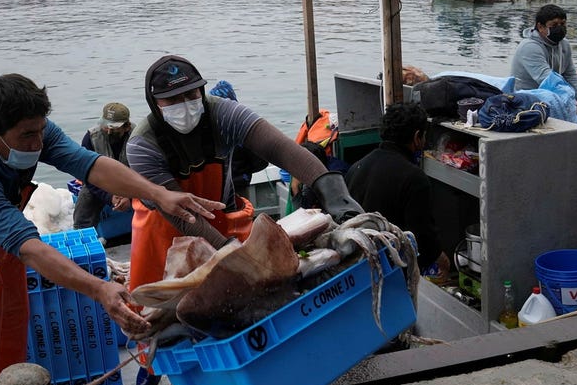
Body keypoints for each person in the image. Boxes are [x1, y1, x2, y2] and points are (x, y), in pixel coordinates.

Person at [0, 74, 222, 385]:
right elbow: (30, 248)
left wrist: (159, 194)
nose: (38, 143)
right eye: (27, 135)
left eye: (40, 130)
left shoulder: (27, 131)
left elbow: (90, 165)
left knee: (8, 362)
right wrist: (99, 289)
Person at [126, 55, 362, 293]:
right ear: (155, 104)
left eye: (191, 94)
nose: (185, 104)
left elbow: (278, 147)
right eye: (173, 100)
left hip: (221, 216)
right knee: (157, 309)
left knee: (244, 296)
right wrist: (230, 251)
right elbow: (180, 213)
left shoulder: (221, 112)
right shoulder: (142, 145)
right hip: (164, 229)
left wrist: (333, 192)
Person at [345, 102, 451, 282]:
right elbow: (422, 239)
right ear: (417, 137)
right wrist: (441, 259)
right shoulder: (414, 178)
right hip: (391, 273)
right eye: (424, 136)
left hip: (357, 270)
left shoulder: (356, 168)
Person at [510, 4, 577, 123]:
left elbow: (570, 75)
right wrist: (573, 104)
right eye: (554, 25)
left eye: (563, 24)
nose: (559, 28)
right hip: (527, 102)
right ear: (540, 27)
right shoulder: (529, 47)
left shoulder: (564, 44)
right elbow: (547, 80)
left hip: (552, 99)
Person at [72, 102, 135, 230]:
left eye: (115, 127)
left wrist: (130, 196)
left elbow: (145, 171)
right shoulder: (91, 138)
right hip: (101, 182)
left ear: (127, 127)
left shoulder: (138, 135)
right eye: (106, 125)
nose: (109, 130)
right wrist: (110, 197)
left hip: (134, 182)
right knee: (86, 198)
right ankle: (83, 232)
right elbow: (86, 175)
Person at [207, 80, 269, 199]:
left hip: (211, 188)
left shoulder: (203, 130)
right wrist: (245, 170)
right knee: (240, 214)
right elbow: (261, 162)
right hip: (239, 185)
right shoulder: (242, 130)